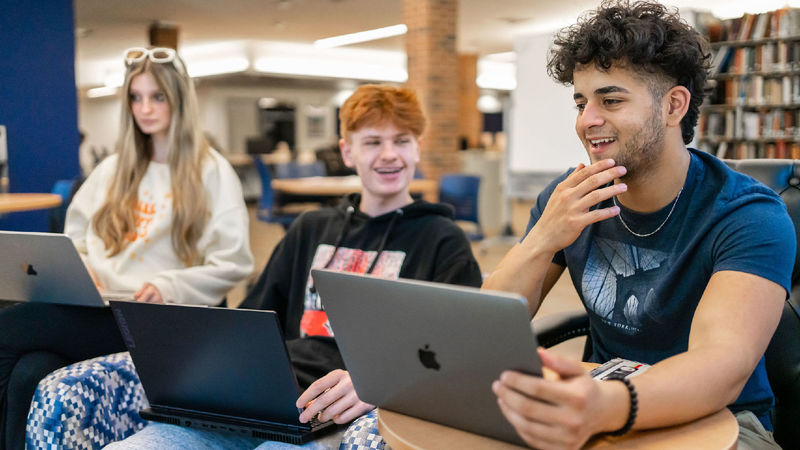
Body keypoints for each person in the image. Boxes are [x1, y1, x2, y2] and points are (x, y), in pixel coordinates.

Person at [482, 1, 794, 449]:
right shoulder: (567, 198)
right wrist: (542, 239)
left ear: (673, 106)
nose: (586, 120)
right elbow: (484, 328)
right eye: (580, 102)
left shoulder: (748, 214)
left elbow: (720, 365)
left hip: (722, 421)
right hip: (601, 401)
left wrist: (603, 407)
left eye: (610, 100)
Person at [104, 84, 483, 449]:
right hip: (270, 399)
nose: (389, 154)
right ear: (347, 152)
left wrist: (378, 383)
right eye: (372, 142)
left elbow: (453, 354)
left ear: (418, 148)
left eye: (401, 140)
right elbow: (252, 319)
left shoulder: (442, 240)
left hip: (340, 412)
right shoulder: (311, 228)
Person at [0, 47, 253, 450]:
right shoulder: (113, 169)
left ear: (179, 100)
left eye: (158, 97)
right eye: (136, 97)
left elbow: (234, 263)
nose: (145, 108)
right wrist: (82, 269)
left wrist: (169, 286)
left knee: (8, 328)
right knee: (30, 373)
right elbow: (77, 239)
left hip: (156, 320)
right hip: (98, 306)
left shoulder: (211, 171)